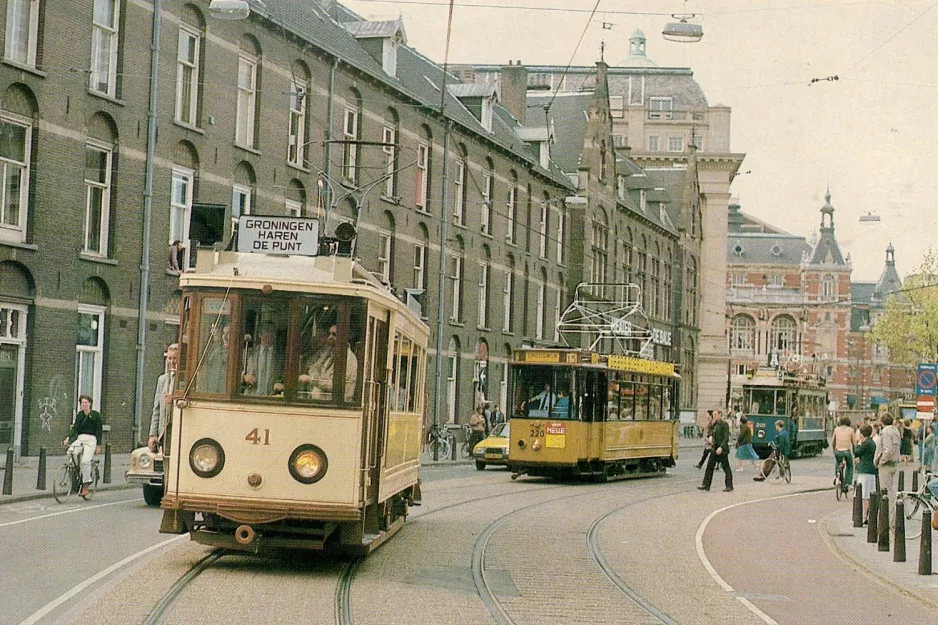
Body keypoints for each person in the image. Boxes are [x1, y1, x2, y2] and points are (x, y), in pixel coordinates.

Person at [299, 324, 358, 401]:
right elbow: (313, 367)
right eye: (329, 334)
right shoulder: (328, 353)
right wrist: (319, 379)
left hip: (336, 405)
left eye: (334, 335)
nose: (330, 337)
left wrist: (312, 379)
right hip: (319, 401)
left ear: (344, 337)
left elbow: (335, 385)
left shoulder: (350, 360)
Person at [62, 394, 103, 498]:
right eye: (82, 403)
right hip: (80, 438)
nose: (84, 404)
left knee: (85, 461)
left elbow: (99, 430)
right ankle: (75, 471)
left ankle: (85, 485)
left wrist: (98, 445)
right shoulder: (80, 415)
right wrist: (68, 438)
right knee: (70, 451)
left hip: (91, 439)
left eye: (86, 402)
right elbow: (75, 428)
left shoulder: (95, 415)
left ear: (90, 404)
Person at [148, 344, 179, 453]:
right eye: (169, 358)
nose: (172, 362)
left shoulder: (186, 380)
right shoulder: (162, 379)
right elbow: (156, 409)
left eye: (175, 358)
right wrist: (153, 434)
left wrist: (174, 399)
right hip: (164, 434)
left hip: (179, 432)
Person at [242, 322, 284, 396]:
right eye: (266, 332)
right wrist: (244, 377)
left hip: (272, 398)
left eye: (272, 332)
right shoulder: (248, 353)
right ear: (259, 335)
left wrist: (282, 384)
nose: (269, 335)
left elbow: (287, 376)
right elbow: (235, 372)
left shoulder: (282, 355)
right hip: (251, 397)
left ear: (275, 335)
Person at [875, 413, 901, 528]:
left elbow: (888, 449)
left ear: (882, 422)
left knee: (886, 494)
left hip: (886, 465)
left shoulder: (885, 432)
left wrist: (881, 461)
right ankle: (892, 518)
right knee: (891, 493)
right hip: (894, 464)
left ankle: (889, 522)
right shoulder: (896, 431)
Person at [698, 409, 733, 492]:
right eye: (713, 415)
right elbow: (712, 433)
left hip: (722, 450)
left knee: (726, 467)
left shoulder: (724, 424)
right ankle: (706, 485)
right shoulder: (715, 424)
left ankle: (729, 485)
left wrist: (721, 447)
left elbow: (726, 437)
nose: (714, 416)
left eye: (716, 414)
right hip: (715, 448)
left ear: (720, 415)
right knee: (709, 466)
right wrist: (710, 438)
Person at [854, 424, 877, 525]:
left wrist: (859, 443)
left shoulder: (866, 443)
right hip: (871, 470)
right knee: (868, 494)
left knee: (864, 495)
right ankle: (867, 515)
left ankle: (864, 516)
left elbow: (857, 452)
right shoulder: (872, 442)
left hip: (865, 470)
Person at [198, 322, 229, 393]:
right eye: (224, 333)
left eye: (228, 334)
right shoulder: (216, 352)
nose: (225, 337)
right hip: (212, 392)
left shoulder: (241, 355)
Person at [831, 416, 855, 488]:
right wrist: (854, 453)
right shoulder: (851, 430)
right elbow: (854, 443)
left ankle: (837, 476)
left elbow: (833, 442)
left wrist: (834, 450)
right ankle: (848, 483)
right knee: (850, 465)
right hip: (846, 451)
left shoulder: (836, 430)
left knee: (838, 463)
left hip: (838, 451)